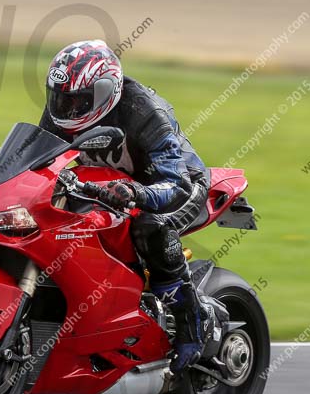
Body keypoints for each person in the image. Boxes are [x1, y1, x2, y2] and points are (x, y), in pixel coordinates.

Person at [39, 40, 211, 375]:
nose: (68, 109)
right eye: (61, 98)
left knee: (149, 226)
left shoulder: (142, 112)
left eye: (78, 101)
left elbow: (176, 182)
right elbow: (40, 160)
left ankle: (191, 318)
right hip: (109, 186)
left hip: (177, 183)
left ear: (106, 92)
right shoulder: (60, 111)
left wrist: (136, 192)